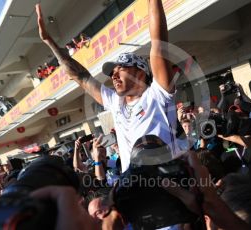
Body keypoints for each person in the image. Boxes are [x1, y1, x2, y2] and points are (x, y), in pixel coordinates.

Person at [36, 0, 178, 172]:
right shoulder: (115, 101)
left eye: (121, 69)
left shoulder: (158, 94)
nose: (114, 75)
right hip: (131, 186)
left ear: (141, 72)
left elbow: (159, 43)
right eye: (111, 73)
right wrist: (49, 41)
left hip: (165, 184)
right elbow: (79, 76)